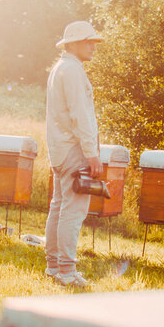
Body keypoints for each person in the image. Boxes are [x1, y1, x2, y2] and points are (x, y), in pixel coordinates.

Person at [45, 21, 104, 287]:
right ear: (75, 43)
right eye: (89, 41)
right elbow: (81, 116)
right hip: (73, 149)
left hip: (59, 148)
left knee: (58, 206)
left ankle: (54, 267)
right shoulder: (72, 71)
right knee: (73, 210)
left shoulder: (61, 68)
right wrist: (92, 155)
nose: (94, 46)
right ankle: (66, 273)